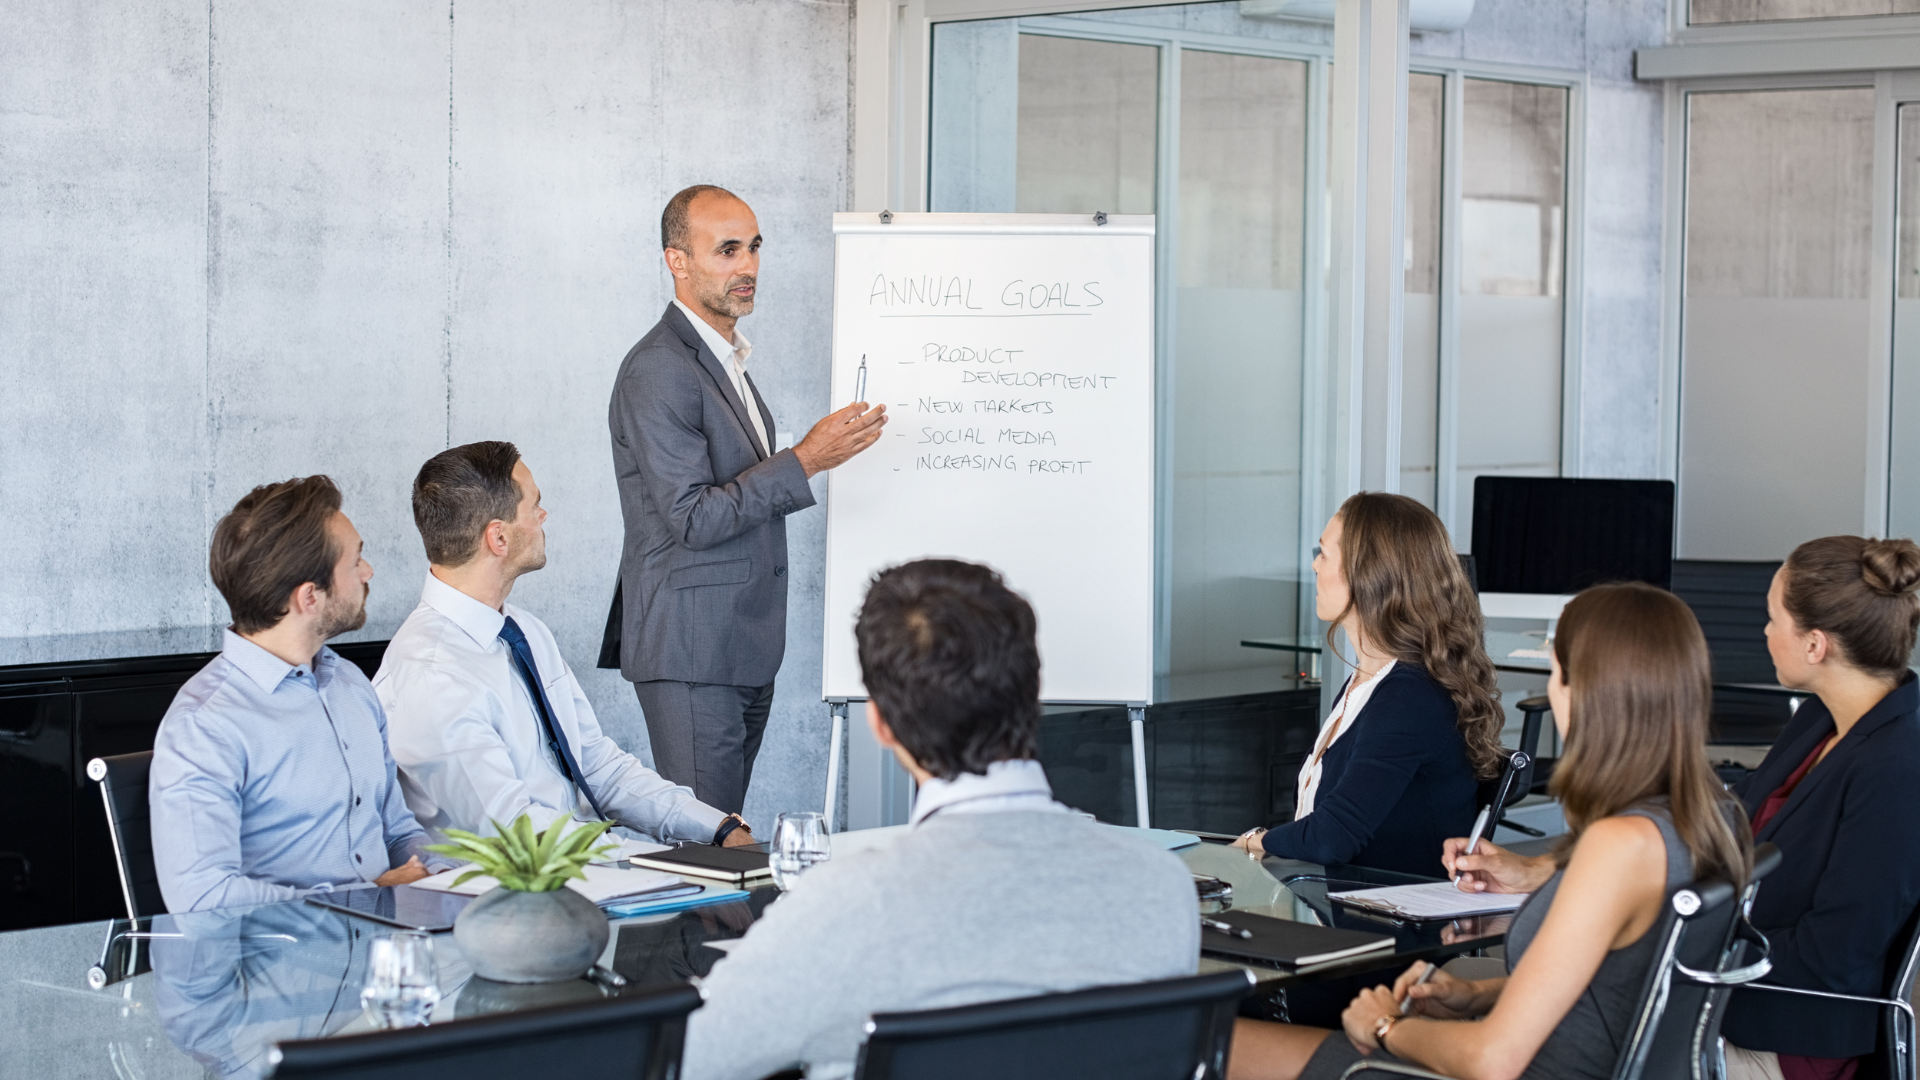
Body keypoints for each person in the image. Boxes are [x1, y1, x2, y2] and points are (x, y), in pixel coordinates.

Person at [679, 560, 1199, 1080]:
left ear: (880, 723)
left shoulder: (846, 905)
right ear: (1032, 694)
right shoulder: (1161, 889)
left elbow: (687, 1061)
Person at [1229, 582, 1754, 1080]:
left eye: (1557, 671)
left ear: (1583, 691)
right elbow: (1617, 984)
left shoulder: (1618, 846)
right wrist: (1477, 996)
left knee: (1209, 1039)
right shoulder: (1710, 815)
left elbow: (1492, 1061)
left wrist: (1387, 1027)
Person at [602, 183, 887, 814]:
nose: (748, 266)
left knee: (722, 833)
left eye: (754, 248)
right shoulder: (659, 368)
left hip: (736, 644)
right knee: (709, 849)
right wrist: (807, 460)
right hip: (693, 647)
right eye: (727, 250)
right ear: (678, 261)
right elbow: (692, 517)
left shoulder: (723, 360)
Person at [375, 442, 756, 851]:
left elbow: (597, 767)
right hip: (511, 897)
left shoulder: (525, 630)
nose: (544, 516)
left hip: (587, 875)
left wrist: (716, 827)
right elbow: (519, 835)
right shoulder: (432, 674)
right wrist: (646, 859)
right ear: (498, 538)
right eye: (534, 506)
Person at [150, 476, 452, 913]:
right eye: (356, 562)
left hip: (384, 956)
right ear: (309, 597)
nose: (368, 573)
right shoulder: (205, 725)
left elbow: (397, 830)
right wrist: (362, 898)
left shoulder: (350, 685)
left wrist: (441, 872)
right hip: (277, 970)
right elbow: (203, 898)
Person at [1717, 537, 1920, 1080]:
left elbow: (1829, 957)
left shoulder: (1897, 768)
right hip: (1728, 1000)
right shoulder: (1820, 719)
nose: (1764, 633)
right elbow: (1736, 819)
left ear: (1814, 645)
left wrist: (1676, 941)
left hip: (1786, 1039)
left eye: (1772, 618)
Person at [1231, 492, 1500, 878]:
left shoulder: (1409, 696)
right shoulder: (1369, 682)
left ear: (1367, 574)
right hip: (1335, 901)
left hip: (1382, 921)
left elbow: (1331, 838)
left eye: (1323, 554)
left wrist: (1256, 840)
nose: (1314, 565)